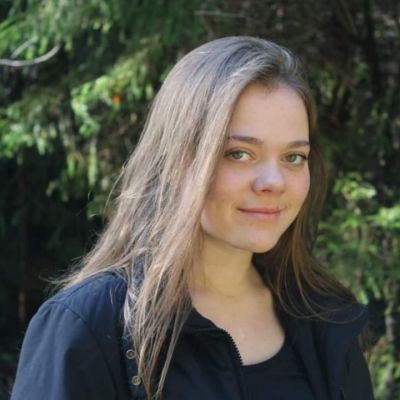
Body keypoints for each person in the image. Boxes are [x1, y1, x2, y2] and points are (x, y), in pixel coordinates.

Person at [10, 36, 374, 400]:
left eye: (293, 157)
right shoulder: (88, 327)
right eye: (239, 154)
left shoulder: (326, 319)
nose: (273, 182)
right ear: (177, 163)